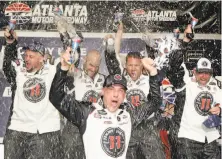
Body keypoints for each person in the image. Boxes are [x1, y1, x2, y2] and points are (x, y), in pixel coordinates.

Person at [49, 48, 161, 159]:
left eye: (120, 91)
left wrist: (153, 72)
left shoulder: (129, 115)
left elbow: (155, 102)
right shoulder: (88, 113)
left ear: (124, 96)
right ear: (102, 92)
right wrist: (62, 68)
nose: (116, 94)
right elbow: (56, 98)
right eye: (111, 89)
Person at [104, 23, 165, 159]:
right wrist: (110, 46)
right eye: (130, 65)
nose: (133, 69)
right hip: (127, 125)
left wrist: (150, 43)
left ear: (141, 65)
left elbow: (156, 67)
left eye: (136, 65)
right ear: (126, 66)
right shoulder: (122, 80)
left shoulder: (150, 77)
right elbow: (113, 62)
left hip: (148, 127)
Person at [3, 29, 61, 158]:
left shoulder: (52, 72)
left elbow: (69, 62)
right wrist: (11, 43)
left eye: (31, 56)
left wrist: (68, 39)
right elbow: (7, 67)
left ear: (41, 58)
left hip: (42, 132)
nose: (27, 59)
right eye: (26, 55)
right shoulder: (19, 71)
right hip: (17, 130)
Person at [167, 48, 221, 158]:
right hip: (188, 139)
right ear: (195, 71)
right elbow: (174, 69)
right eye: (201, 72)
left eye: (207, 73)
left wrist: (220, 110)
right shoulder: (186, 84)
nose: (204, 76)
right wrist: (184, 44)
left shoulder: (216, 87)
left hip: (210, 138)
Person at [60, 49, 105, 159]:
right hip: (74, 127)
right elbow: (69, 63)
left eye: (97, 66)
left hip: (95, 127)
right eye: (91, 64)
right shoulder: (74, 74)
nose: (93, 69)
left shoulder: (103, 79)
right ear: (84, 60)